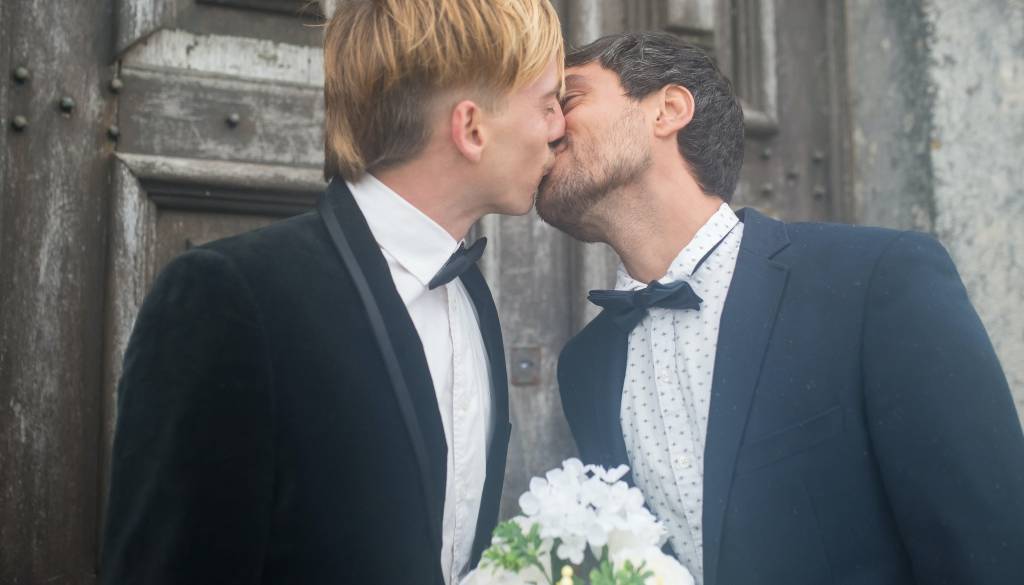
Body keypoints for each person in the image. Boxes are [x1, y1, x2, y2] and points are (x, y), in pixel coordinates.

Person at [100, 2, 565, 584]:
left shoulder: (472, 295)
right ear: (471, 129)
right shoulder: (230, 296)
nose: (559, 127)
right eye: (547, 103)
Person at [541, 31, 1024, 585]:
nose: (546, 127)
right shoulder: (584, 367)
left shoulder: (878, 280)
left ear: (667, 109)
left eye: (568, 99)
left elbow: (993, 549)